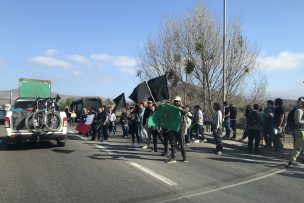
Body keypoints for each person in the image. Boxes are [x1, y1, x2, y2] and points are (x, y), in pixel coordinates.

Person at [165, 96, 188, 163]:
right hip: (173, 127)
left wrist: (180, 108)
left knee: (181, 142)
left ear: (180, 101)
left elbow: (185, 111)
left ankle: (184, 157)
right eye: (175, 101)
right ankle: (173, 157)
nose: (176, 102)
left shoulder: (184, 107)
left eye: (178, 101)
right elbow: (167, 114)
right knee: (173, 142)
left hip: (181, 127)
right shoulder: (172, 107)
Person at [287, 100, 304, 168]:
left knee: (298, 147)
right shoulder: (299, 111)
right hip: (300, 131)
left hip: (301, 130)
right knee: (298, 147)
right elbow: (297, 121)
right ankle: (291, 161)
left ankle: (291, 161)